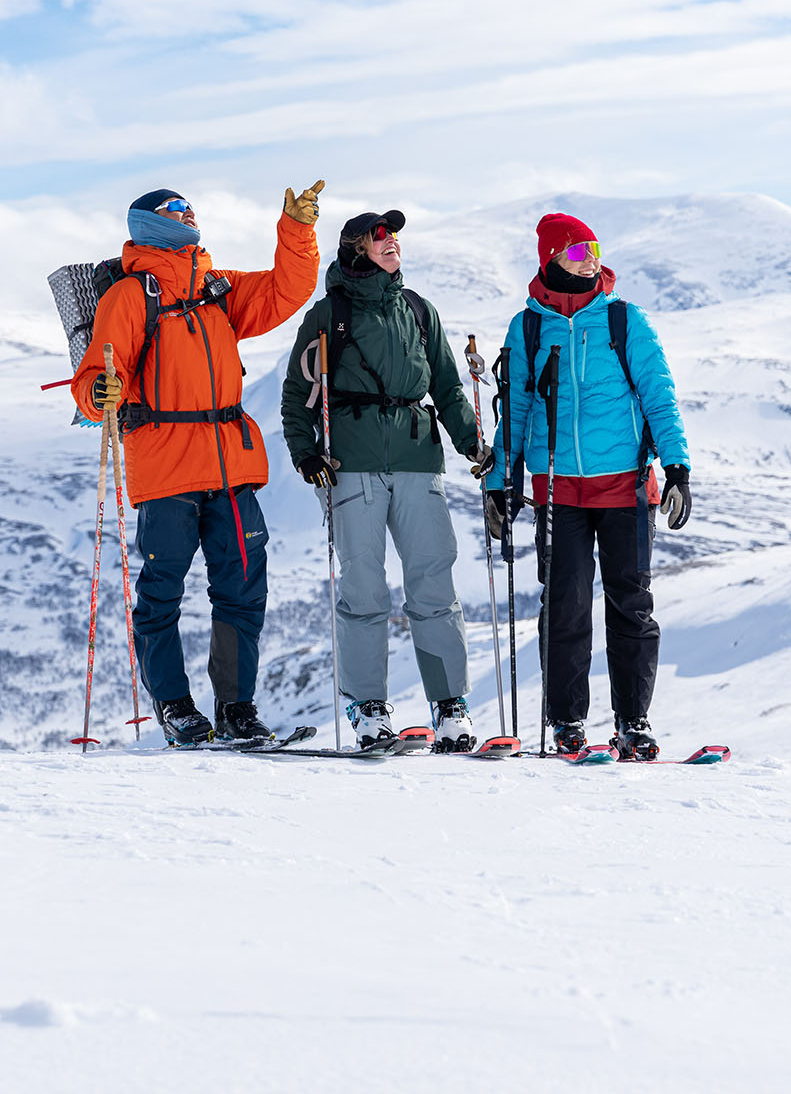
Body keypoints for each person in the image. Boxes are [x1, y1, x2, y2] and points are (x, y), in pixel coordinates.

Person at [72, 182, 324, 745]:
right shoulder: (131, 296)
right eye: (179, 211)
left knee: (241, 589)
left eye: (190, 208)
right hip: (166, 467)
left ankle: (237, 708)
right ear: (155, 224)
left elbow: (288, 290)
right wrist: (99, 393)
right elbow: (92, 379)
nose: (191, 215)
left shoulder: (217, 288)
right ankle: (175, 706)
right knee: (162, 591)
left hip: (230, 463)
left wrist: (297, 230)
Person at [280, 210, 493, 751]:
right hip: (351, 464)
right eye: (380, 237)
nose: (392, 242)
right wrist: (307, 455)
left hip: (418, 460)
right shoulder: (328, 315)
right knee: (364, 590)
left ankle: (451, 708)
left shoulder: (419, 311)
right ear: (356, 249)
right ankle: (367, 708)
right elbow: (296, 395)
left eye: (394, 235)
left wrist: (473, 444)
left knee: (434, 586)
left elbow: (447, 385)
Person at [483, 212, 691, 759]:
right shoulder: (527, 327)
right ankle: (566, 722)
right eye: (577, 251)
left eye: (593, 247)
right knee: (565, 607)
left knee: (631, 607)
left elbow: (659, 395)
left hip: (625, 488)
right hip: (557, 491)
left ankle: (633, 721)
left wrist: (678, 468)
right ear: (551, 259)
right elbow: (518, 408)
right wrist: (502, 480)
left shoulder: (625, 321)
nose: (589, 258)